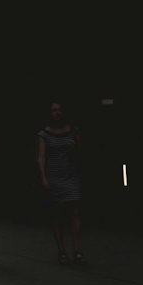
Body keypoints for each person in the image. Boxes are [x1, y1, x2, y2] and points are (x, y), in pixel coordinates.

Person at [37, 100, 84, 265]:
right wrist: (44, 177)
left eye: (59, 110)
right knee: (57, 214)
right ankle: (62, 250)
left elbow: (81, 151)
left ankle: (77, 249)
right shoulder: (45, 134)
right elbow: (41, 157)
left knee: (74, 211)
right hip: (54, 176)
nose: (57, 113)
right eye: (54, 110)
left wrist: (76, 147)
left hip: (71, 175)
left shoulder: (73, 131)